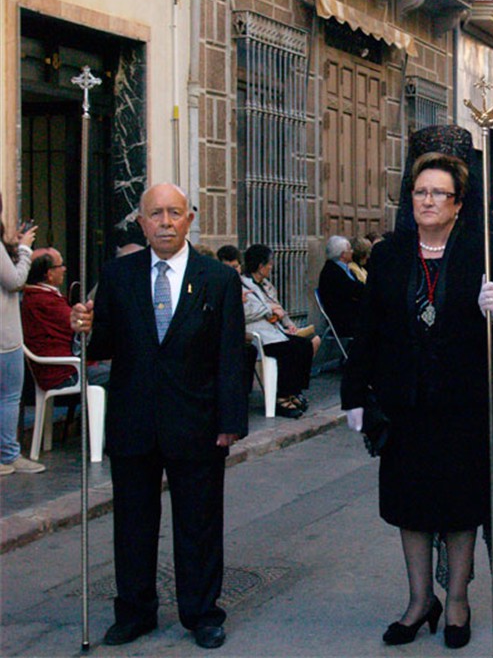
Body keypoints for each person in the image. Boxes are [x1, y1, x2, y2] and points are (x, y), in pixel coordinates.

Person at [341, 128, 493, 649]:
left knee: (460, 507)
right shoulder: (390, 254)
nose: (426, 201)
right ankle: (420, 600)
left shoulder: (481, 253)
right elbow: (368, 330)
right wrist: (355, 394)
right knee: (412, 506)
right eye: (419, 192)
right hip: (405, 407)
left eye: (437, 193)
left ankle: (460, 602)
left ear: (457, 203)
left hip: (464, 405)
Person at [70, 183, 247, 649]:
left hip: (198, 421)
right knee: (132, 524)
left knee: (200, 524)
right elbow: (104, 344)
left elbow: (231, 356)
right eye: (155, 214)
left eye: (173, 213)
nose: (165, 222)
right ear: (142, 223)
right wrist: (84, 328)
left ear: (189, 218)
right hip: (134, 421)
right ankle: (134, 612)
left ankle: (202, 612)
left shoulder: (217, 278)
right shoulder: (118, 275)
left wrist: (231, 421)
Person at [242, 244, 319, 418]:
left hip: (275, 331)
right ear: (260, 266)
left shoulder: (266, 285)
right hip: (258, 336)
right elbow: (246, 312)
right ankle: (281, 397)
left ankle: (293, 391)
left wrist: (288, 324)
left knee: (304, 345)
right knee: (290, 350)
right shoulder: (242, 285)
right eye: (269, 263)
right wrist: (268, 310)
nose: (271, 267)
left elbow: (279, 309)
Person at [22, 248, 110, 394]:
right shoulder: (44, 301)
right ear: (49, 274)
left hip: (64, 368)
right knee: (125, 373)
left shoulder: (38, 296)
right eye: (60, 265)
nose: (64, 269)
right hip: (64, 373)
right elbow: (77, 325)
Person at [0, 195, 43, 476]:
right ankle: (8, 455)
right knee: (9, 396)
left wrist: (12, 246)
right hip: (5, 336)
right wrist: (25, 250)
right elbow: (15, 281)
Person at [318, 235, 365, 341]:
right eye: (349, 249)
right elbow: (355, 290)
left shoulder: (344, 269)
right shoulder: (332, 272)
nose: (352, 251)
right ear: (343, 254)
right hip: (343, 319)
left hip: (353, 313)